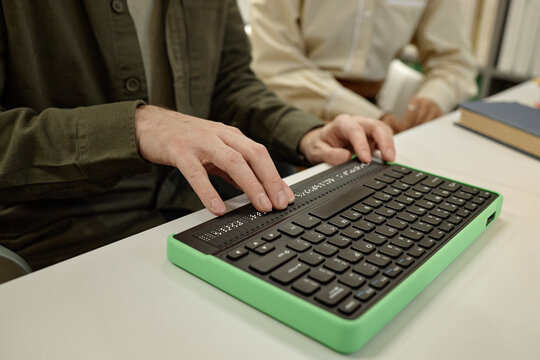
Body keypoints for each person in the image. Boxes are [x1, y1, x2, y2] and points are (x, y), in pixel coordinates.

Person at [0, 0, 395, 272]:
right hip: (62, 234)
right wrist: (137, 127)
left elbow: (230, 82)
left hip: (196, 208)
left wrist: (306, 132)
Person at [249, 0, 478, 133]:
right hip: (282, 110)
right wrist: (373, 117)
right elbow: (275, 64)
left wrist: (434, 98)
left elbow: (455, 61)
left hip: (373, 112)